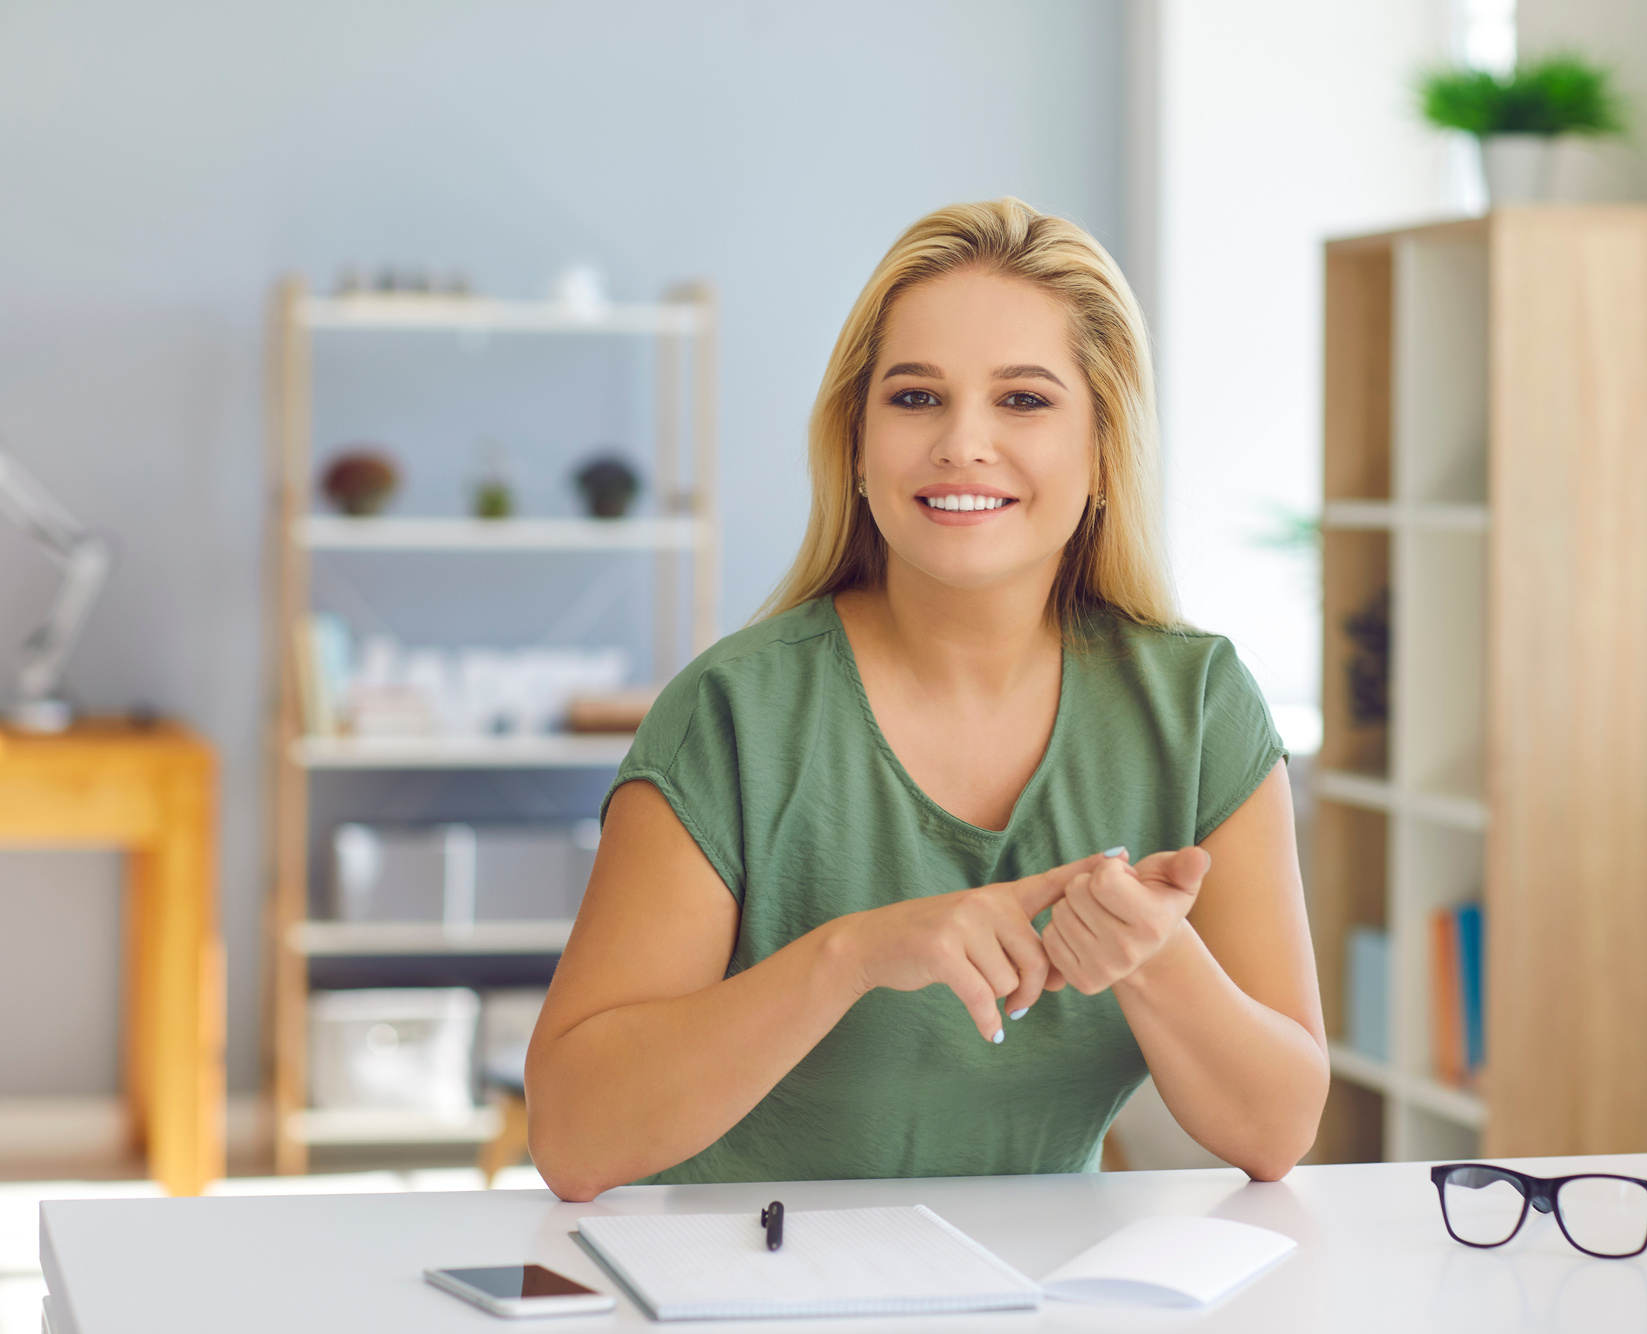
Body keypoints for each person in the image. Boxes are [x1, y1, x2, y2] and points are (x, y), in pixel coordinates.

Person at [526, 199, 1328, 1202]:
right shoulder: (728, 715)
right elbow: (572, 1133)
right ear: (857, 447)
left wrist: (1156, 959)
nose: (962, 443)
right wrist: (852, 953)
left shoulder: (1199, 707)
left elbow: (1276, 1129)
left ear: (1103, 450)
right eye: (915, 398)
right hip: (743, 1294)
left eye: (1025, 401)